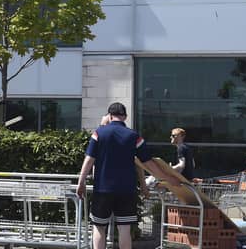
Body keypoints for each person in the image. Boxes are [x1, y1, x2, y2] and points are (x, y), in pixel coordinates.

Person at [77, 102, 181, 249]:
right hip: (126, 190)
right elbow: (148, 163)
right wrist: (169, 178)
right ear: (125, 117)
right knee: (124, 230)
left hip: (102, 189)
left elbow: (89, 159)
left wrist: (81, 181)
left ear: (109, 116)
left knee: (99, 228)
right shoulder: (134, 136)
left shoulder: (99, 133)